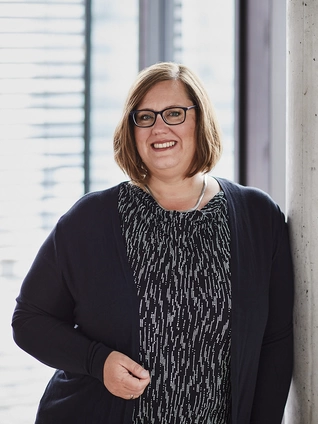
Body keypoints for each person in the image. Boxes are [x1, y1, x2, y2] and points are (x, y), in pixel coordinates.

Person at [12, 62, 294, 424]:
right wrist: (98, 362)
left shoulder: (258, 217)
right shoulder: (90, 220)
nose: (159, 127)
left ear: (200, 120)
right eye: (144, 117)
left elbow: (276, 342)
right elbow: (30, 320)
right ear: (132, 131)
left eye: (174, 113)